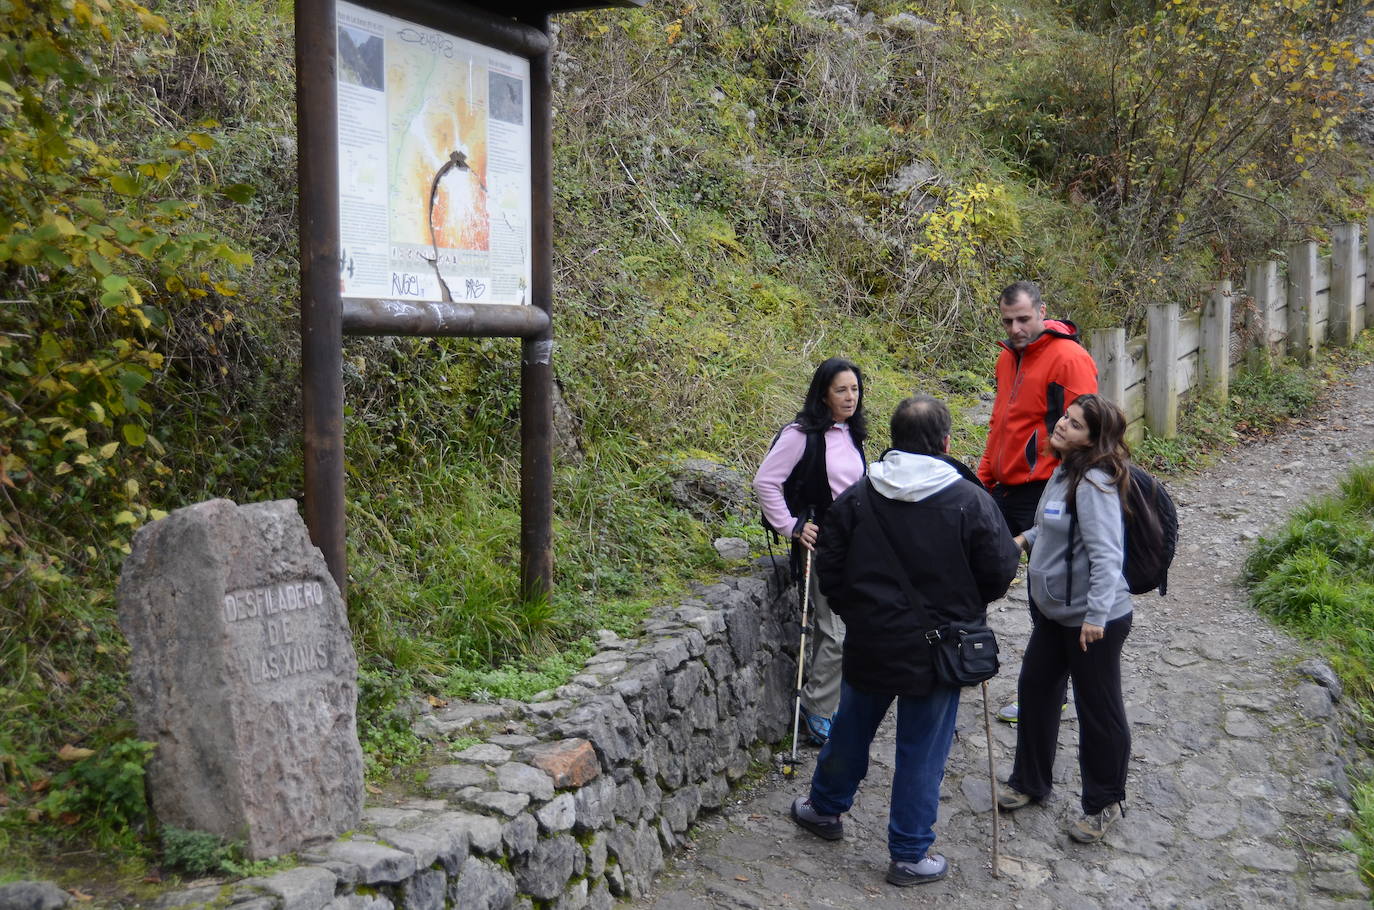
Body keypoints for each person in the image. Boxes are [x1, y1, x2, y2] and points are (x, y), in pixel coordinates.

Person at [789, 395, 1019, 886]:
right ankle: (910, 854)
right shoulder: (968, 499)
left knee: (851, 727)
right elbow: (999, 570)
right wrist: (963, 609)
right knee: (922, 749)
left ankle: (824, 810)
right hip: (941, 648)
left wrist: (861, 613)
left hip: (872, 640)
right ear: (945, 441)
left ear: (892, 438)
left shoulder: (859, 495)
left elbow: (829, 564)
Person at [995, 394, 1135, 844]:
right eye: (1065, 418)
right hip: (1056, 613)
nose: (1062, 426)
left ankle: (1103, 803)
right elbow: (1058, 526)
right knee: (1036, 690)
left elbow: (1107, 553)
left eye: (1075, 425)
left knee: (1099, 710)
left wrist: (1094, 616)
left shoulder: (1094, 483)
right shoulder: (1063, 471)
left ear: (1094, 440)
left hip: (1093, 621)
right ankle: (1030, 782)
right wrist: (1024, 537)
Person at [979, 279, 1098, 723]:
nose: (1015, 328)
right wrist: (986, 474)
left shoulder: (1068, 358)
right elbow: (1000, 422)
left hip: (1046, 487)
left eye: (1023, 319)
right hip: (1004, 485)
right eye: (1008, 320)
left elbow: (1087, 431)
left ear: (1042, 311)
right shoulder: (1008, 357)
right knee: (994, 572)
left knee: (1046, 591)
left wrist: (1068, 489)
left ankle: (1049, 693)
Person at [754, 358, 868, 746]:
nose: (850, 397)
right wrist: (791, 527)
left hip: (854, 544)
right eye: (841, 390)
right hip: (822, 545)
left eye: (854, 389)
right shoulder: (801, 434)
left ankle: (830, 699)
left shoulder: (852, 432)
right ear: (823, 394)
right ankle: (818, 711)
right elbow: (765, 481)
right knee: (835, 632)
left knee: (845, 627)